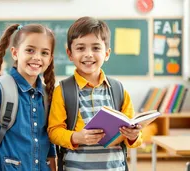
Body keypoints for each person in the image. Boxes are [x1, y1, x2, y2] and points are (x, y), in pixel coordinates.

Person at [47, 16, 143, 171]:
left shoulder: (118, 90)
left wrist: (133, 136)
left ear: (107, 53)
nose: (88, 54)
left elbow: (135, 136)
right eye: (80, 48)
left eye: (96, 48)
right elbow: (54, 131)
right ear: (70, 54)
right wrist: (77, 137)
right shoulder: (63, 91)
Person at [0, 24, 56, 171]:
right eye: (30, 50)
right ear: (15, 53)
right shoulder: (1, 89)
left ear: (50, 58)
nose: (37, 57)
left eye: (44, 53)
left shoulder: (46, 95)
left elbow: (48, 142)